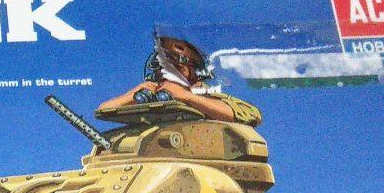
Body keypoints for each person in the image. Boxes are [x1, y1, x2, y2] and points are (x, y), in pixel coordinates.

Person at [99, 34, 262, 126]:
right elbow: (103, 110)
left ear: (194, 70)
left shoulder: (205, 94)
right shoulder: (153, 93)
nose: (167, 74)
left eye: (176, 67)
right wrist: (132, 95)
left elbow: (251, 114)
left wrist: (187, 97)